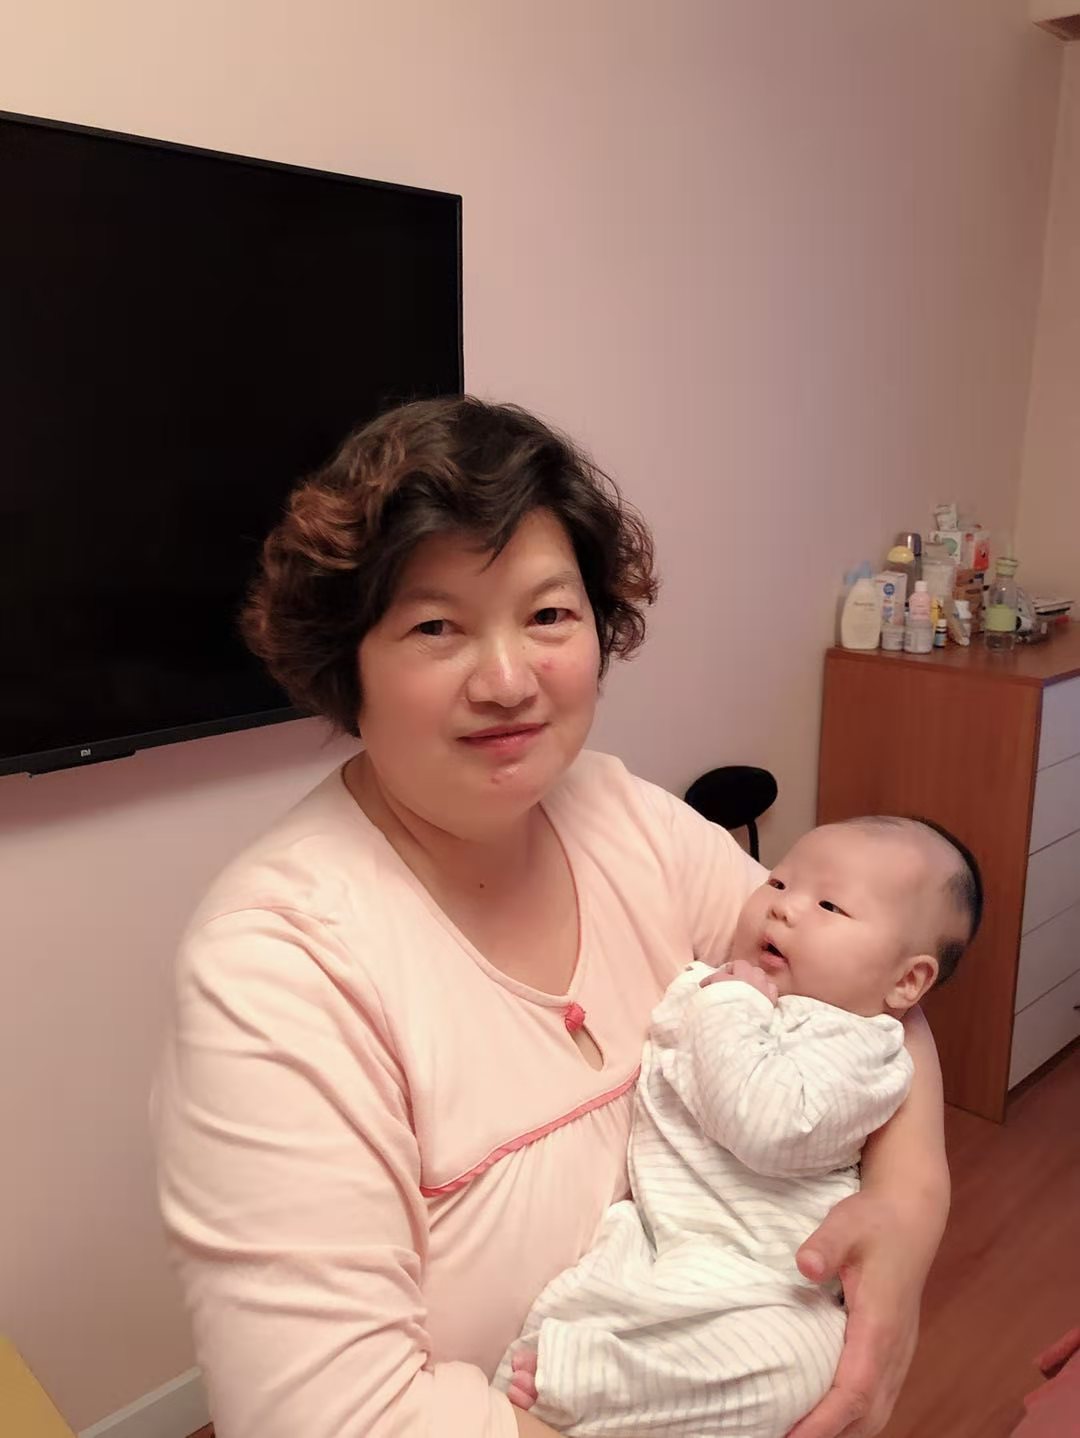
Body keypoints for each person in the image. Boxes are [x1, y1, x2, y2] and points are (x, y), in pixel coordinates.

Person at [155, 396, 952, 1438]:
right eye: (435, 626)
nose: (507, 681)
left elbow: (857, 982)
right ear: (348, 662)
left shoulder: (618, 811)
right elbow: (338, 1420)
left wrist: (908, 1201)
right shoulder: (278, 966)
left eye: (547, 616)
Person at [500, 817, 983, 1437]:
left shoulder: (862, 1049)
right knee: (585, 1303)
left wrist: (732, 1002)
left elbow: (766, 1126)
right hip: (656, 1234)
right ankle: (573, 1377)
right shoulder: (731, 980)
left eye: (830, 906)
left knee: (799, 1366)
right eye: (778, 882)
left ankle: (594, 1384)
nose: (783, 907)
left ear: (906, 981)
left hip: (763, 1275)